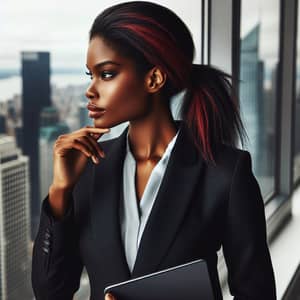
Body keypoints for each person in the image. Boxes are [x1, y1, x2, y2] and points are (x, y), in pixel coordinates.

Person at [31, 1, 276, 299]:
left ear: (154, 79)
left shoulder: (225, 171)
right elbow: (50, 291)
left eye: (106, 74)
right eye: (89, 75)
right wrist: (60, 192)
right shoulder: (88, 167)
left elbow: (257, 293)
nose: (90, 90)